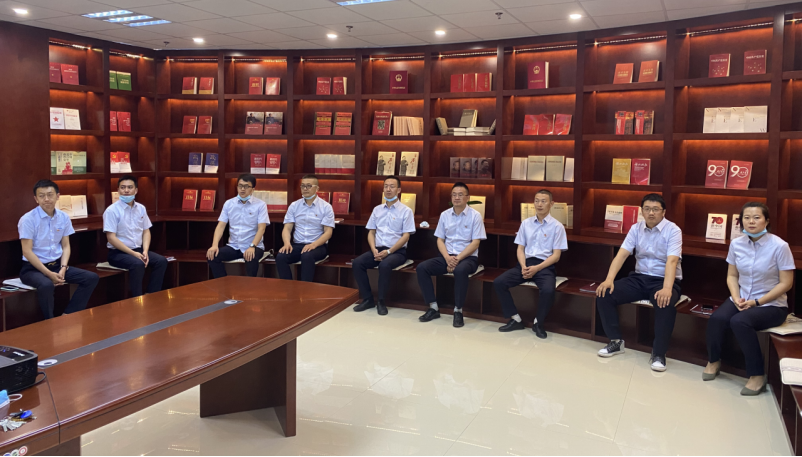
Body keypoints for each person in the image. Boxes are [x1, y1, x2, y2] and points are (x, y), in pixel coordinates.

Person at [704, 203, 794, 395]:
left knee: (739, 321)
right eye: (746, 218)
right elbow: (732, 275)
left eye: (756, 217)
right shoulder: (736, 244)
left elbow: (786, 283)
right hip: (742, 298)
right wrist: (737, 298)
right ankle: (713, 361)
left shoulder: (780, 246)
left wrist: (757, 302)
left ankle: (757, 375)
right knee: (717, 318)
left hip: (771, 305)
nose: (751, 221)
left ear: (766, 221)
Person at [596, 194, 682, 372]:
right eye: (647, 209)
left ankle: (659, 353)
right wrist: (609, 279)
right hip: (639, 277)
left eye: (656, 209)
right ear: (642, 211)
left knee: (665, 303)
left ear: (663, 212)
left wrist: (667, 288)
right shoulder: (636, 228)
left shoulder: (673, 230)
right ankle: (616, 341)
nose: (651, 213)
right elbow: (622, 255)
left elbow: (672, 261)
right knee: (605, 293)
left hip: (663, 280)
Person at [18, 180, 99, 319]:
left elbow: (66, 245)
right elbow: (27, 251)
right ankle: (49, 322)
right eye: (41, 196)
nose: (46, 199)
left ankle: (68, 316)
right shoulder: (28, 219)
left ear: (57, 196)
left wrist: (63, 268)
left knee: (91, 278)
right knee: (46, 285)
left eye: (50, 194)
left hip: (56, 266)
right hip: (32, 269)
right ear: (36, 199)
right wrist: (49, 274)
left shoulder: (63, 217)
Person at [493, 190, 567, 339]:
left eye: (543, 201)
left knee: (548, 290)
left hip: (544, 266)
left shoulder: (557, 226)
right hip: (525, 264)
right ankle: (515, 319)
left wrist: (537, 268)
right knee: (499, 282)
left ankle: (538, 323)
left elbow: (556, 256)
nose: (539, 204)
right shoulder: (526, 224)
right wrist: (523, 266)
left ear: (551, 204)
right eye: (537, 201)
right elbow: (520, 249)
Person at [417, 183, 487, 328]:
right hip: (446, 256)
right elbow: (440, 240)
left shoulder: (475, 216)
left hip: (468, 258)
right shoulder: (445, 215)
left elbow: (475, 243)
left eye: (460, 195)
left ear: (467, 198)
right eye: (454, 194)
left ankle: (458, 311)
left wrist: (457, 259)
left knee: (460, 270)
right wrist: (448, 258)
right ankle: (433, 307)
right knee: (422, 268)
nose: (457, 197)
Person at [352, 176, 416, 316]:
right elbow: (371, 232)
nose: (388, 189)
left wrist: (389, 251)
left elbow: (406, 236)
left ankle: (381, 301)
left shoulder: (406, 211)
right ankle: (368, 299)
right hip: (377, 249)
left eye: (392, 186)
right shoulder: (377, 210)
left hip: (397, 252)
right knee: (357, 263)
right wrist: (373, 249)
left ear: (398, 190)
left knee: (385, 265)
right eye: (386, 186)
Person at [104, 175, 168, 298]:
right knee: (138, 264)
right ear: (118, 190)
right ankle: (136, 300)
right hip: (118, 253)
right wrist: (133, 254)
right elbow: (111, 238)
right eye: (123, 187)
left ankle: (151, 296)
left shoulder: (141, 208)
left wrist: (145, 251)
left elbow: (146, 231)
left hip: (138, 250)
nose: (126, 190)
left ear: (136, 190)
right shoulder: (111, 211)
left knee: (161, 261)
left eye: (130, 187)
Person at [207, 174, 269, 278]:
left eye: (246, 186)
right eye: (240, 186)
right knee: (212, 256)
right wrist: (214, 245)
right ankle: (223, 283)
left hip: (253, 246)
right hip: (234, 246)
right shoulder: (229, 204)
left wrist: (252, 246)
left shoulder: (260, 205)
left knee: (251, 257)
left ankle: (250, 287)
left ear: (253, 189)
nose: (242, 189)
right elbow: (221, 226)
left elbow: (261, 229)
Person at [276, 175, 335, 282]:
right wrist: (286, 243)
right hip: (297, 245)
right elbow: (287, 228)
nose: (305, 189)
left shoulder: (326, 207)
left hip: (317, 246)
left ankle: (305, 288)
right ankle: (287, 286)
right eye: (303, 186)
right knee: (281, 256)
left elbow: (328, 232)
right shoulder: (294, 205)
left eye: (308, 186)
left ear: (317, 188)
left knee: (307, 256)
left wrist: (313, 245)